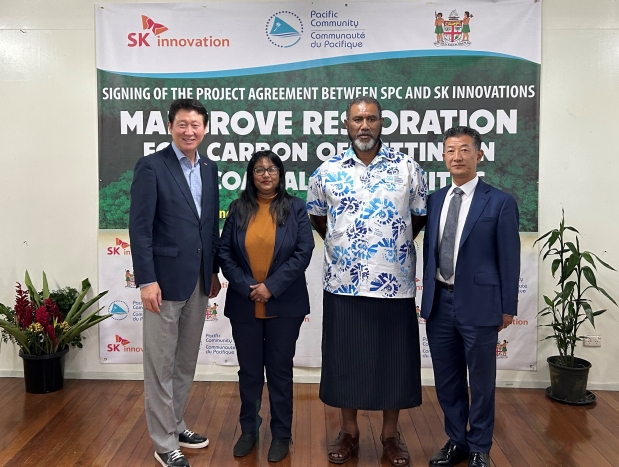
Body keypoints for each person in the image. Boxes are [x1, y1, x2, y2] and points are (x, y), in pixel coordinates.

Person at [307, 96, 427, 466]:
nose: (364, 126)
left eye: (371, 119)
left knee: (394, 362)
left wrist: (389, 246)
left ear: (382, 124)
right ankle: (349, 432)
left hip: (395, 282)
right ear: (346, 125)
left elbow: (418, 217)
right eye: (357, 119)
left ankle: (391, 436)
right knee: (347, 361)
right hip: (343, 282)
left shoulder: (408, 168)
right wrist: (347, 246)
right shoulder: (326, 171)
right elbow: (318, 218)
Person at [420, 126, 520, 467]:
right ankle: (456, 441)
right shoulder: (434, 200)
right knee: (447, 381)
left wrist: (508, 307)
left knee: (480, 381)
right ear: (443, 156)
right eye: (450, 150)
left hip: (480, 305)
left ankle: (480, 447)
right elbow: (428, 253)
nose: (457, 157)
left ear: (479, 155)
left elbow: (509, 257)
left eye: (464, 150)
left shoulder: (500, 202)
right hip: (438, 303)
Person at [129, 98, 221, 467]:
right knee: (159, 365)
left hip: (198, 281)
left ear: (205, 129)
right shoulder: (151, 167)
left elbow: (209, 225)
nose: (189, 131)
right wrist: (146, 280)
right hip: (163, 285)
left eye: (196, 125)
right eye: (182, 124)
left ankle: (176, 423)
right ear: (170, 127)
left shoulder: (210, 169)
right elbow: (140, 228)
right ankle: (164, 442)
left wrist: (212, 270)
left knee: (184, 362)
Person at [218, 150, 314, 463]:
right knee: (249, 372)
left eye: (271, 168)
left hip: (285, 305)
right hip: (244, 304)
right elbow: (225, 253)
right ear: (251, 175)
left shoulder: (295, 207)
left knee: (279, 372)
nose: (265, 174)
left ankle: (281, 433)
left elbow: (303, 251)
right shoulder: (238, 208)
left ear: (280, 173)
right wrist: (249, 287)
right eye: (259, 169)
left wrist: (271, 287)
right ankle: (249, 429)